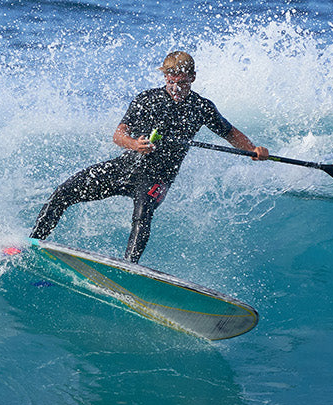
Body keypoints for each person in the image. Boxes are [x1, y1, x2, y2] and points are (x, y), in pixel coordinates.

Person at [30, 50, 270, 263]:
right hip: (126, 167)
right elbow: (119, 135)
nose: (176, 88)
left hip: (158, 178)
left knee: (143, 215)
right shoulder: (147, 99)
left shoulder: (202, 108)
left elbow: (230, 133)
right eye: (171, 82)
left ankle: (129, 269)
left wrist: (253, 150)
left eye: (182, 83)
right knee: (63, 192)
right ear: (165, 78)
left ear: (193, 78)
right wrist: (134, 144)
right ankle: (32, 243)